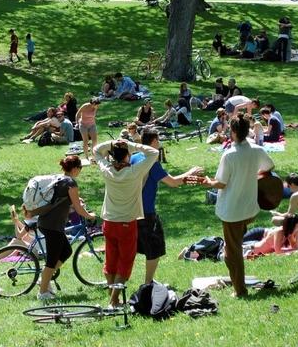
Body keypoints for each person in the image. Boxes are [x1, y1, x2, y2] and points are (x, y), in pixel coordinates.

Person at [200, 115, 275, 298]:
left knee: (231, 253)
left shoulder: (230, 155)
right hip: (249, 208)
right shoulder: (256, 150)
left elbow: (221, 183)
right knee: (235, 245)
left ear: (233, 132)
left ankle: (240, 290)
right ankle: (238, 283)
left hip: (233, 210)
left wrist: (209, 182)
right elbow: (269, 166)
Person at [93, 139, 159, 307]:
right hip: (127, 223)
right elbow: (154, 152)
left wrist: (113, 143)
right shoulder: (135, 171)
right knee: (125, 261)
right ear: (128, 155)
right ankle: (114, 300)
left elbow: (96, 150)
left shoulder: (107, 170)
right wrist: (132, 144)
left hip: (109, 222)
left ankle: (112, 296)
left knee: (111, 260)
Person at [132, 129, 203, 282]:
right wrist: (191, 173)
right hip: (146, 212)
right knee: (154, 248)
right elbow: (173, 182)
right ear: (154, 142)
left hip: (131, 209)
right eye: (158, 140)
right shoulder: (151, 161)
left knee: (134, 247)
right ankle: (148, 282)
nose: (160, 144)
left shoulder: (135, 157)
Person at [27, 156, 96, 301]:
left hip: (49, 223)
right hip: (52, 225)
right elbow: (78, 208)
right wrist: (90, 215)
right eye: (80, 168)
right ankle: (43, 291)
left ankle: (44, 279)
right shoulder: (71, 183)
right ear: (75, 168)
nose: (80, 171)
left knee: (66, 251)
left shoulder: (59, 179)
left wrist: (74, 203)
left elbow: (63, 202)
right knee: (52, 261)